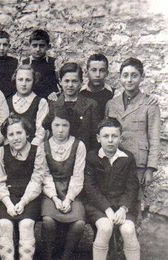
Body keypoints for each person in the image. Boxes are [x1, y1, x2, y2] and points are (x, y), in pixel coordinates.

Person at [105, 57, 160, 213]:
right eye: (125, 75)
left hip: (138, 164)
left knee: (133, 204)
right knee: (113, 201)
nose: (129, 80)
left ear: (141, 77)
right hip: (114, 160)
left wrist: (150, 168)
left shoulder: (150, 104)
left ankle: (131, 235)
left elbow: (154, 138)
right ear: (120, 77)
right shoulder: (112, 104)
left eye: (134, 75)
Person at [85, 117, 140, 260]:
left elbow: (132, 186)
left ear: (120, 138)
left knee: (128, 229)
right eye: (106, 136)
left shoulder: (128, 158)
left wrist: (123, 208)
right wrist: (107, 209)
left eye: (114, 136)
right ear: (98, 138)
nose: (110, 140)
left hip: (123, 205)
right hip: (98, 205)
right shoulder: (92, 157)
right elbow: (90, 187)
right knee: (105, 227)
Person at [0, 114, 44, 260]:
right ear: (6, 137)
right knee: (4, 224)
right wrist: (8, 204)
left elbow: (36, 180)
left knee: (26, 224)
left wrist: (23, 202)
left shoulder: (37, 150)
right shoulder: (1, 152)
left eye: (19, 133)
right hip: (6, 197)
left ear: (27, 133)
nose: (15, 138)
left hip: (29, 197)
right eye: (11, 134)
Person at [41, 106, 86, 260]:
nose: (60, 130)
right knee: (48, 221)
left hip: (73, 192)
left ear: (71, 126)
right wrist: (54, 197)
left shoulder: (78, 145)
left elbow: (78, 175)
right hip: (50, 191)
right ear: (50, 126)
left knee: (79, 223)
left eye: (65, 125)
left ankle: (66, 256)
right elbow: (45, 175)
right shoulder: (44, 146)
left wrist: (69, 198)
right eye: (56, 125)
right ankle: (49, 256)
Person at [48, 62, 99, 151]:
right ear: (60, 82)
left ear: (81, 82)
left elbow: (95, 138)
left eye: (74, 81)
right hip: (59, 155)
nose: (70, 85)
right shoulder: (53, 103)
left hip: (84, 155)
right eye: (66, 81)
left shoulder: (91, 105)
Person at [7, 64, 49, 146]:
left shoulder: (40, 102)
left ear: (34, 81)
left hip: (32, 149)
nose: (23, 83)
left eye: (28, 80)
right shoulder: (7, 102)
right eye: (20, 79)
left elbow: (41, 133)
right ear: (15, 80)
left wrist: (30, 150)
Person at [21, 29, 59, 99]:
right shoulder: (24, 63)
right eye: (34, 46)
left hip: (51, 100)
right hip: (31, 101)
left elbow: (62, 83)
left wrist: (56, 93)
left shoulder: (54, 62)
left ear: (48, 47)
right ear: (29, 46)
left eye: (41, 46)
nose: (38, 49)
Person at [80, 54, 114, 120]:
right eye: (94, 70)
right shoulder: (79, 93)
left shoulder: (113, 95)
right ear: (86, 72)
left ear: (107, 73)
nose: (97, 75)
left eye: (101, 70)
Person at [0, 30, 18, 99]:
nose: (1, 48)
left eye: (5, 45)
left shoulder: (14, 62)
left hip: (10, 97)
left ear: (9, 46)